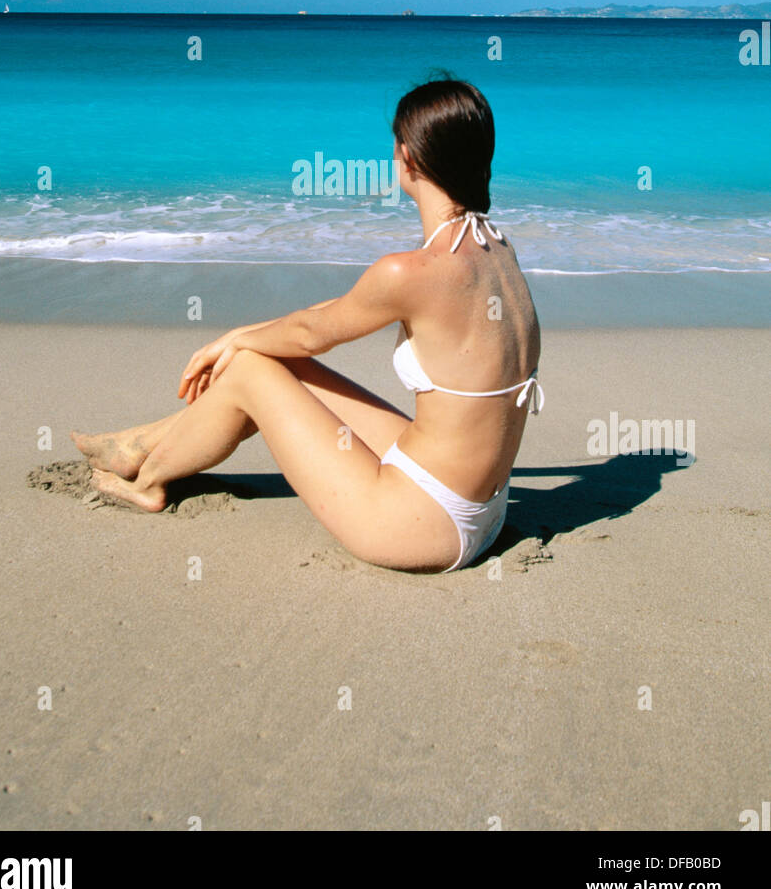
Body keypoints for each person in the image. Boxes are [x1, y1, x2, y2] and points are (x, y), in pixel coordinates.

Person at [72, 78, 543, 573]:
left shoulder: (412, 273)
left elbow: (313, 333)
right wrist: (241, 335)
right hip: (481, 509)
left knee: (252, 369)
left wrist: (234, 342)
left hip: (420, 526)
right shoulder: (496, 250)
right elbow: (334, 314)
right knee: (278, 361)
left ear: (408, 157)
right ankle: (139, 445)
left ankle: (147, 484)